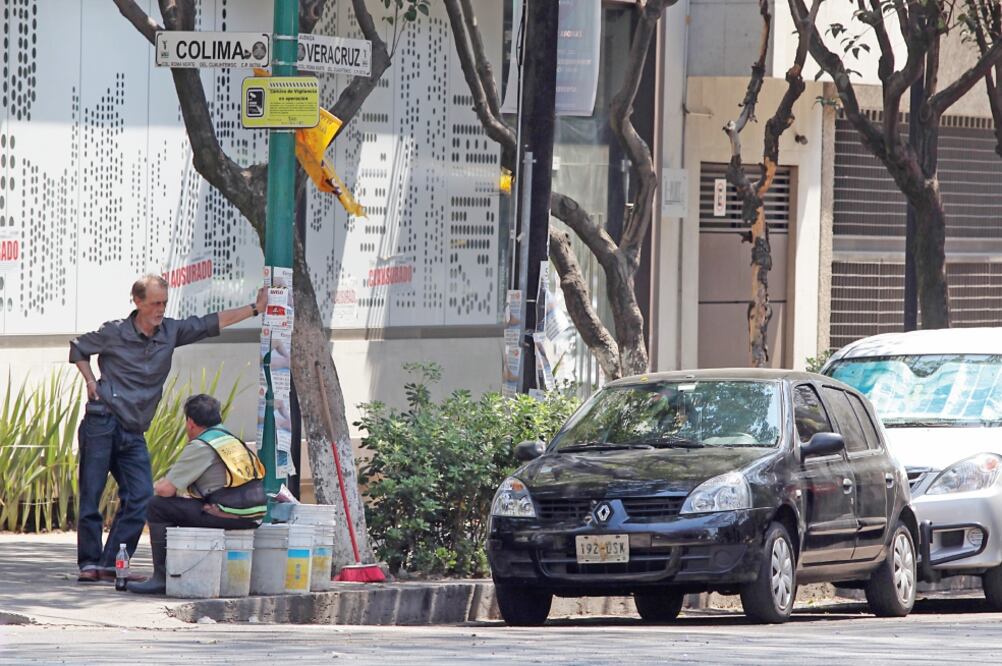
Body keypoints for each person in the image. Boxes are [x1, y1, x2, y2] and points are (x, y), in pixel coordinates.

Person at [70, 274, 267, 584]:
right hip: (102, 420)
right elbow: (79, 348)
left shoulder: (171, 331)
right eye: (154, 304)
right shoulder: (114, 332)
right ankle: (90, 563)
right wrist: (91, 381)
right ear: (137, 302)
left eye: (164, 303)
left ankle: (112, 563)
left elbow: (209, 323)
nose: (160, 309)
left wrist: (254, 309)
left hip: (134, 428)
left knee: (141, 495)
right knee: (92, 495)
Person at [129, 393, 266, 595]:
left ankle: (161, 577)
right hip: (254, 513)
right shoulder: (232, 441)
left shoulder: (202, 445)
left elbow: (166, 490)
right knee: (184, 506)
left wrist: (159, 485)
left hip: (227, 512)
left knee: (157, 506)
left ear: (190, 422)